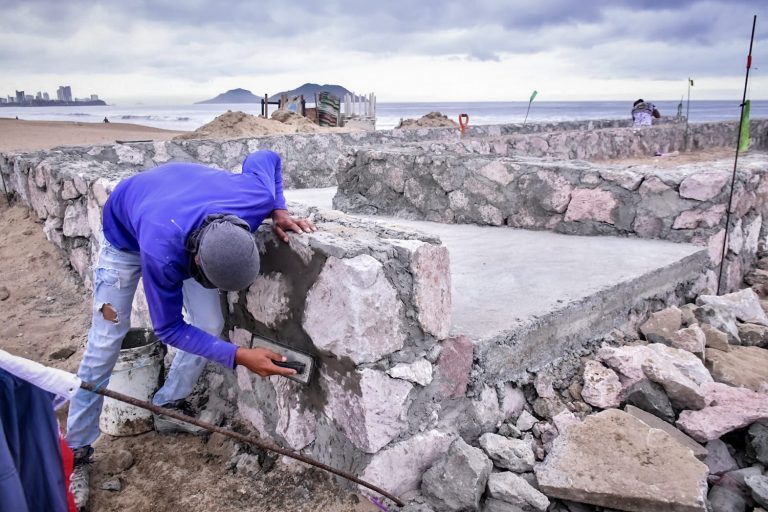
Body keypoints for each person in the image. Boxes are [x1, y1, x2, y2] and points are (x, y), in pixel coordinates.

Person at [65, 150, 315, 511]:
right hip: (129, 227)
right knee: (106, 342)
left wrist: (279, 209)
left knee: (211, 323)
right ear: (196, 261)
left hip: (184, 205)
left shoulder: (253, 199)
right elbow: (168, 327)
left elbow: (267, 156)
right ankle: (76, 451)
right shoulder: (162, 254)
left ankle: (167, 407)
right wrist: (239, 356)